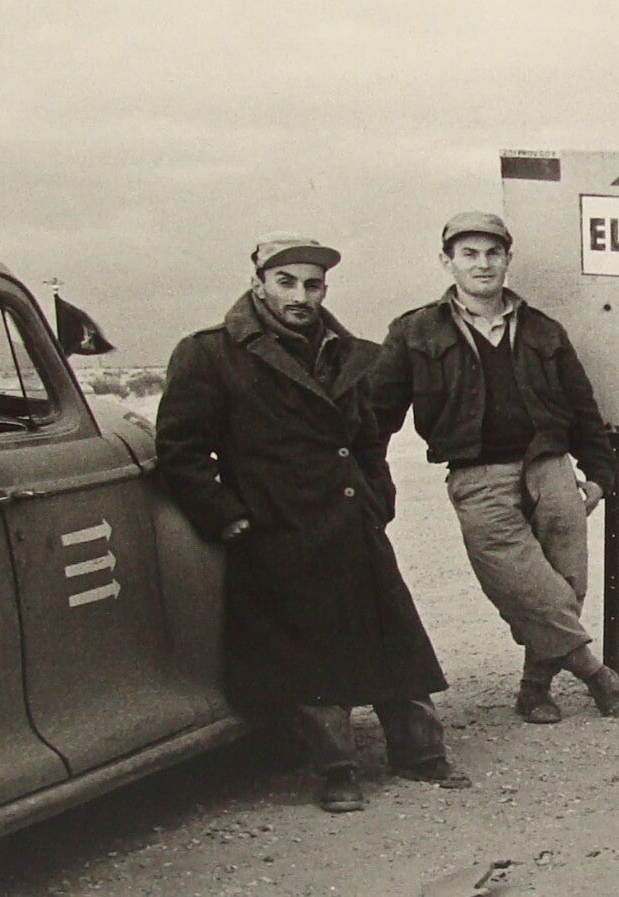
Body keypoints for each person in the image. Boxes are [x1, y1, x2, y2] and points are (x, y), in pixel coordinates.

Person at [156, 233, 462, 813]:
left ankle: (420, 752)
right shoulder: (210, 354)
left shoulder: (353, 353)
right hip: (279, 529)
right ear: (259, 284)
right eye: (286, 282)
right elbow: (181, 450)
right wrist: (229, 519)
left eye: (313, 284)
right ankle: (337, 769)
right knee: (310, 654)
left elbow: (371, 440)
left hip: (351, 519)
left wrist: (378, 498)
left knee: (392, 635)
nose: (301, 295)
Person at [371, 210, 619, 725]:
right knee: (524, 585)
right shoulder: (414, 331)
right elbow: (376, 414)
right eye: (469, 254)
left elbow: (582, 406)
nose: (483, 264)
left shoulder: (542, 329)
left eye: (493, 253)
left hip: (551, 466)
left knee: (566, 583)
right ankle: (595, 674)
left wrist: (599, 475)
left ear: (508, 260)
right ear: (447, 262)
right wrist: (368, 476)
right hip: (477, 476)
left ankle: (534, 688)